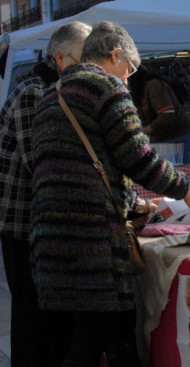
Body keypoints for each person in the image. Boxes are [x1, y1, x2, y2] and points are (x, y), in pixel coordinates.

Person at [30, 21, 190, 367]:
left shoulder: (54, 95)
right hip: (90, 243)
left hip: (50, 240)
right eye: (129, 68)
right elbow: (138, 158)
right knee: (100, 341)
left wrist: (133, 202)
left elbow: (82, 170)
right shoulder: (106, 88)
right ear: (114, 55)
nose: (129, 78)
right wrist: (186, 189)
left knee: (85, 338)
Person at [0, 20, 91, 367]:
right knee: (33, 319)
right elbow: (43, 164)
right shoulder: (34, 94)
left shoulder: (58, 94)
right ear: (61, 58)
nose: (89, 68)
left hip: (42, 228)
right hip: (23, 228)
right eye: (84, 59)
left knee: (49, 320)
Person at [128, 64, 190, 164]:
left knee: (176, 171)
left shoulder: (154, 86)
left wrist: (144, 130)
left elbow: (167, 115)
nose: (124, 83)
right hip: (161, 137)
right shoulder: (139, 92)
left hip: (176, 135)